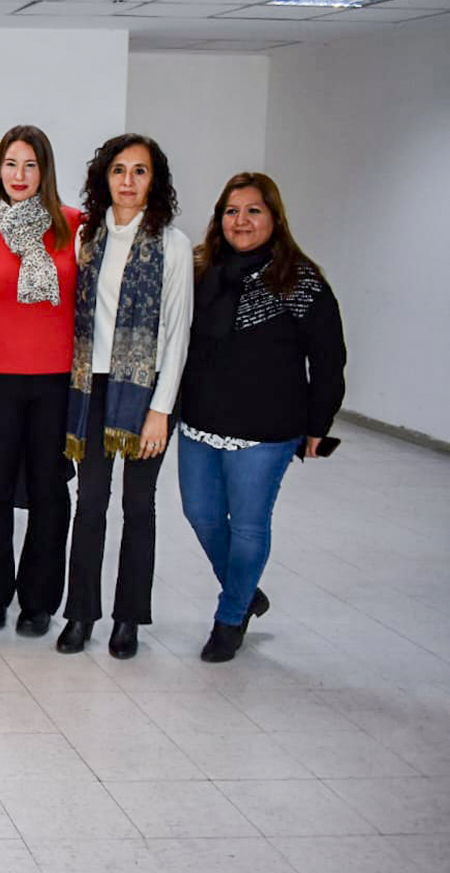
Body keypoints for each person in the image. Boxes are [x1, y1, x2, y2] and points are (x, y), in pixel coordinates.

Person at [177, 172, 345, 663]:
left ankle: (230, 619)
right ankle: (246, 591)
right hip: (201, 422)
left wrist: (319, 424)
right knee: (202, 515)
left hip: (268, 429)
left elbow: (329, 358)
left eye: (253, 210)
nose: (241, 221)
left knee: (248, 526)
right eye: (232, 211)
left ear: (274, 217)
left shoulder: (300, 279)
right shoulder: (200, 271)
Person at [57, 134, 193, 659]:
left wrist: (161, 410)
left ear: (153, 181)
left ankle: (128, 619)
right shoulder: (86, 237)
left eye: (140, 171)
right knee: (89, 503)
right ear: (104, 177)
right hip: (92, 386)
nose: (129, 181)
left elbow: (178, 332)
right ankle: (80, 615)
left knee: (139, 505)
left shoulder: (172, 244)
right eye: (119, 169)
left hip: (147, 390)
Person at [0, 125, 81, 636]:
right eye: (10, 164)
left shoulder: (75, 226)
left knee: (50, 493)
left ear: (44, 171)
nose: (19, 176)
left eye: (29, 165)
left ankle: (40, 601)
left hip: (56, 385)